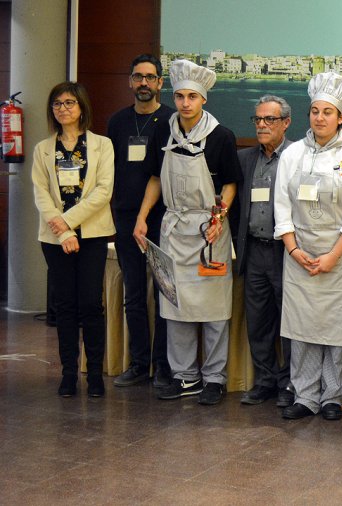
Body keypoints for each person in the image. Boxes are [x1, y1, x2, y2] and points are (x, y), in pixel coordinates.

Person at [133, 59, 242, 405]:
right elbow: (154, 177)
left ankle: (213, 379)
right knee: (174, 305)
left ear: (203, 100)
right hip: (175, 228)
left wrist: (218, 219)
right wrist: (142, 216)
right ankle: (185, 377)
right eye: (179, 96)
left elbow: (229, 185)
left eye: (191, 97)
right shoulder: (162, 132)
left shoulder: (221, 136)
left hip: (209, 229)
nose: (184, 103)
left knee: (214, 310)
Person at [273, 72, 342, 421]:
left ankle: (332, 396)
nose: (319, 118)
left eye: (327, 112)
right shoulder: (293, 154)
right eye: (315, 111)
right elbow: (281, 204)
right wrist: (293, 247)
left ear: (341, 116)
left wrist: (333, 255)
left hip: (340, 257)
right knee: (301, 330)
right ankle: (304, 396)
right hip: (299, 253)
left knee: (335, 330)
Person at [32, 82, 115, 397]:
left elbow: (103, 191)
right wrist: (63, 232)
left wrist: (68, 223)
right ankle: (68, 374)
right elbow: (41, 194)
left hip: (92, 235)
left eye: (69, 102)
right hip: (54, 240)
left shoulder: (102, 145)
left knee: (91, 305)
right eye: (56, 103)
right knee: (64, 306)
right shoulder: (43, 149)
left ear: (82, 107)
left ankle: (94, 374)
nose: (62, 108)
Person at [107, 54, 174, 389]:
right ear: (130, 82)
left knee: (164, 293)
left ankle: (163, 366)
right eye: (138, 77)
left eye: (150, 77)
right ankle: (137, 363)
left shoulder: (172, 121)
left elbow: (163, 175)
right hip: (123, 217)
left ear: (160, 83)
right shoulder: (117, 123)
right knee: (133, 293)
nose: (144, 83)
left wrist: (146, 216)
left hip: (162, 219)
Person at [235, 95, 295, 407]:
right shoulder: (245, 159)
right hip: (254, 251)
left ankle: (288, 384)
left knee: (288, 321)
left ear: (286, 123)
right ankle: (265, 380)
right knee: (258, 321)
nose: (261, 125)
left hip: (286, 253)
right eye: (257, 119)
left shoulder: (297, 157)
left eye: (269, 119)